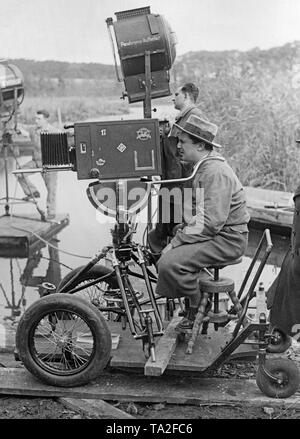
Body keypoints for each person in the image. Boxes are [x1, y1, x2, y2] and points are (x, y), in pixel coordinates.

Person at [155, 114, 250, 331]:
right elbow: (203, 215)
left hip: (229, 240)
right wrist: (182, 230)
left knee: (169, 263)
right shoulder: (204, 168)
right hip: (220, 234)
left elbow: (210, 222)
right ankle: (195, 299)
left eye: (183, 142)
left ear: (199, 146)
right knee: (171, 250)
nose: (178, 146)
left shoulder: (214, 171)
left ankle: (199, 308)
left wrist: (177, 241)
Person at [148, 83, 207, 254]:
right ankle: (165, 263)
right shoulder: (182, 118)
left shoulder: (195, 117)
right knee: (164, 229)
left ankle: (174, 265)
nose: (173, 98)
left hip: (183, 185)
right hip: (173, 184)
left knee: (178, 228)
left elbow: (195, 153)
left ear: (187, 96)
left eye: (177, 94)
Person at [17, 109, 61, 220]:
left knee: (51, 189)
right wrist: (17, 127)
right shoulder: (34, 130)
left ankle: (51, 212)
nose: (36, 121)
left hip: (49, 164)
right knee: (19, 173)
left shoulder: (53, 131)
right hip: (36, 162)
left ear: (46, 119)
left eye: (39, 119)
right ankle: (33, 192)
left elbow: (63, 145)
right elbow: (25, 131)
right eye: (35, 118)